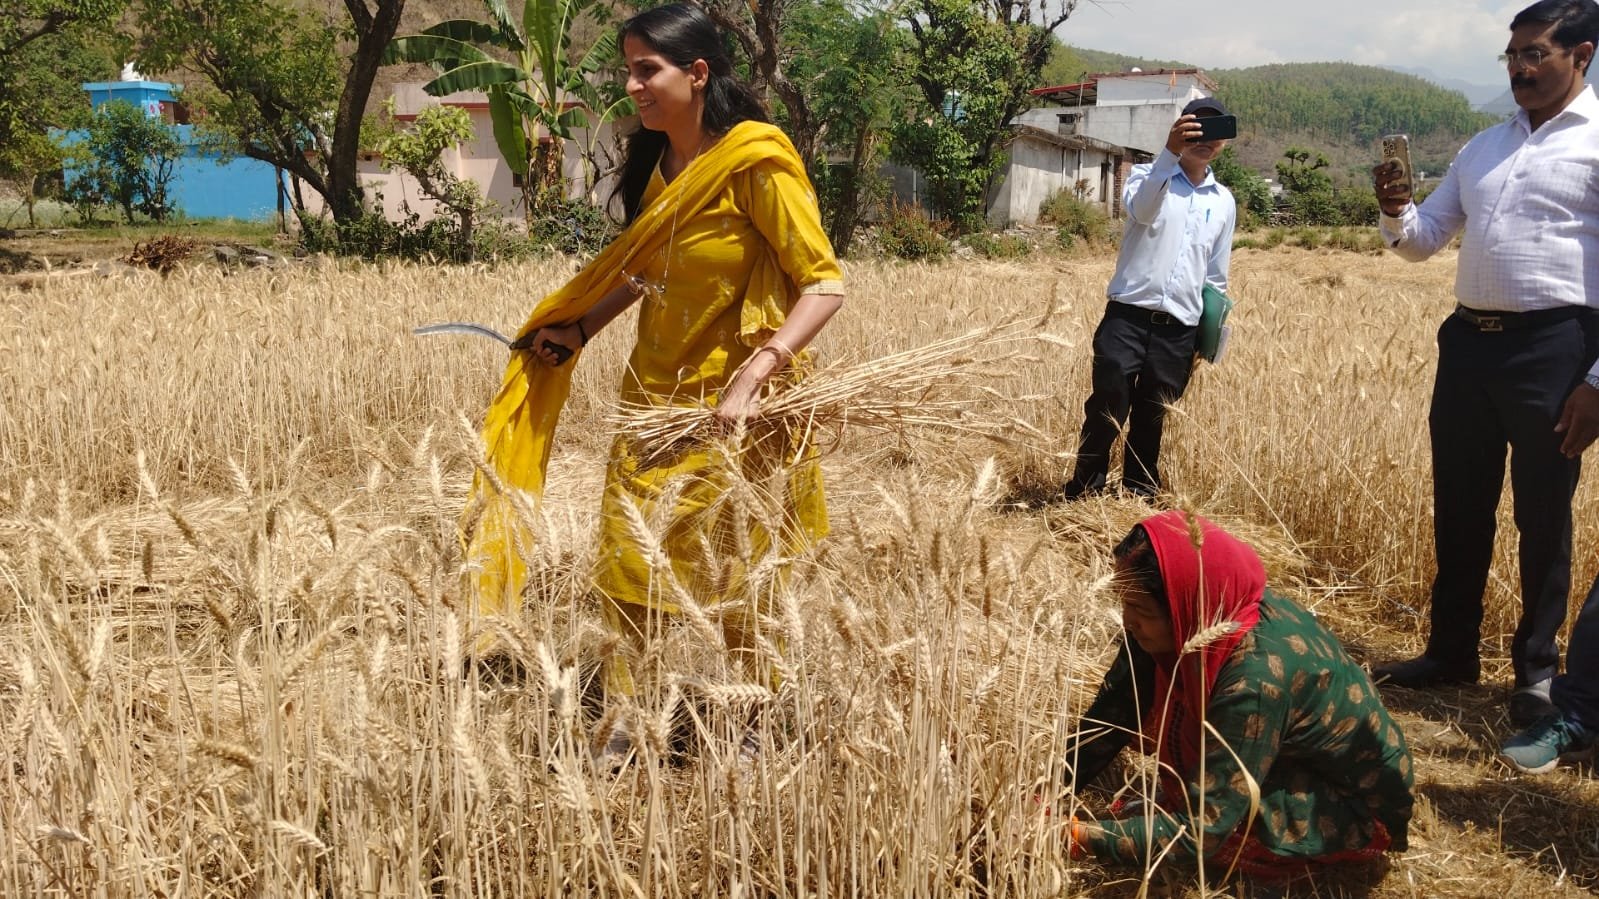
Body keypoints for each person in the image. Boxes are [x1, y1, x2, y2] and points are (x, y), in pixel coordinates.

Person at [461, 4, 844, 700]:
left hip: (737, 413)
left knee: (738, 570)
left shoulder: (755, 161)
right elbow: (647, 272)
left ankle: (755, 716)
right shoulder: (660, 164)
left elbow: (822, 285)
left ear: (697, 73)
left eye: (648, 70)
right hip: (652, 402)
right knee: (628, 564)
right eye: (627, 71)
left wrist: (753, 380)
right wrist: (580, 330)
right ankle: (626, 718)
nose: (632, 86)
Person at [1369, 0, 1599, 729]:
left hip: (1556, 347)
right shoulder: (1482, 147)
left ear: (1581, 56)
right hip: (1468, 344)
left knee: (1541, 515)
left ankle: (1535, 672)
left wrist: (1596, 382)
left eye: (1535, 54)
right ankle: (1450, 651)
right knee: (1459, 503)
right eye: (1512, 56)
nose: (1519, 69)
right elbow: (1423, 240)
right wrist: (1393, 210)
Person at [1063, 511, 1414, 880]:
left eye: (1140, 610)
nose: (1127, 619)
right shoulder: (1200, 610)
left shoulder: (1254, 682)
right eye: (1125, 602)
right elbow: (1114, 713)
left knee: (1224, 832)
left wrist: (1078, 836)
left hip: (1351, 801)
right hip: (1288, 753)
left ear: (1184, 605)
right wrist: (1048, 791)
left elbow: (1202, 833)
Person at [1060, 98, 1237, 501]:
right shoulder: (1145, 175)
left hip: (1180, 329)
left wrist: (1209, 338)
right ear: (1179, 129)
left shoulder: (1223, 201)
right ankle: (1083, 494)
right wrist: (1170, 152)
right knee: (1108, 407)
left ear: (1225, 139)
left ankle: (1139, 496)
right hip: (1127, 317)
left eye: (1214, 131)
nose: (1204, 139)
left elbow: (1216, 275)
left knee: (1152, 417)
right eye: (1195, 129)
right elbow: (1141, 211)